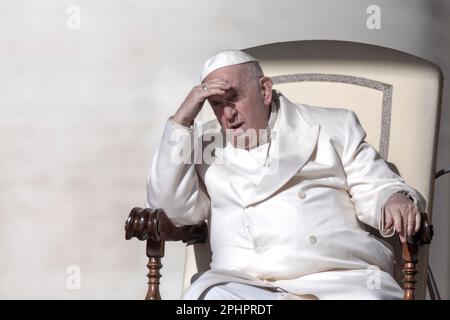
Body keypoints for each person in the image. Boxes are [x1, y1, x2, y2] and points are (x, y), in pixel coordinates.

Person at [146, 50, 426, 300]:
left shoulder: (333, 126)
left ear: (265, 90)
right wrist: (182, 120)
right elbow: (170, 209)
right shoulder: (205, 146)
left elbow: (377, 185)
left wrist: (394, 199)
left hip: (339, 280)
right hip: (242, 287)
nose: (228, 114)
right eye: (217, 104)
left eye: (234, 97)